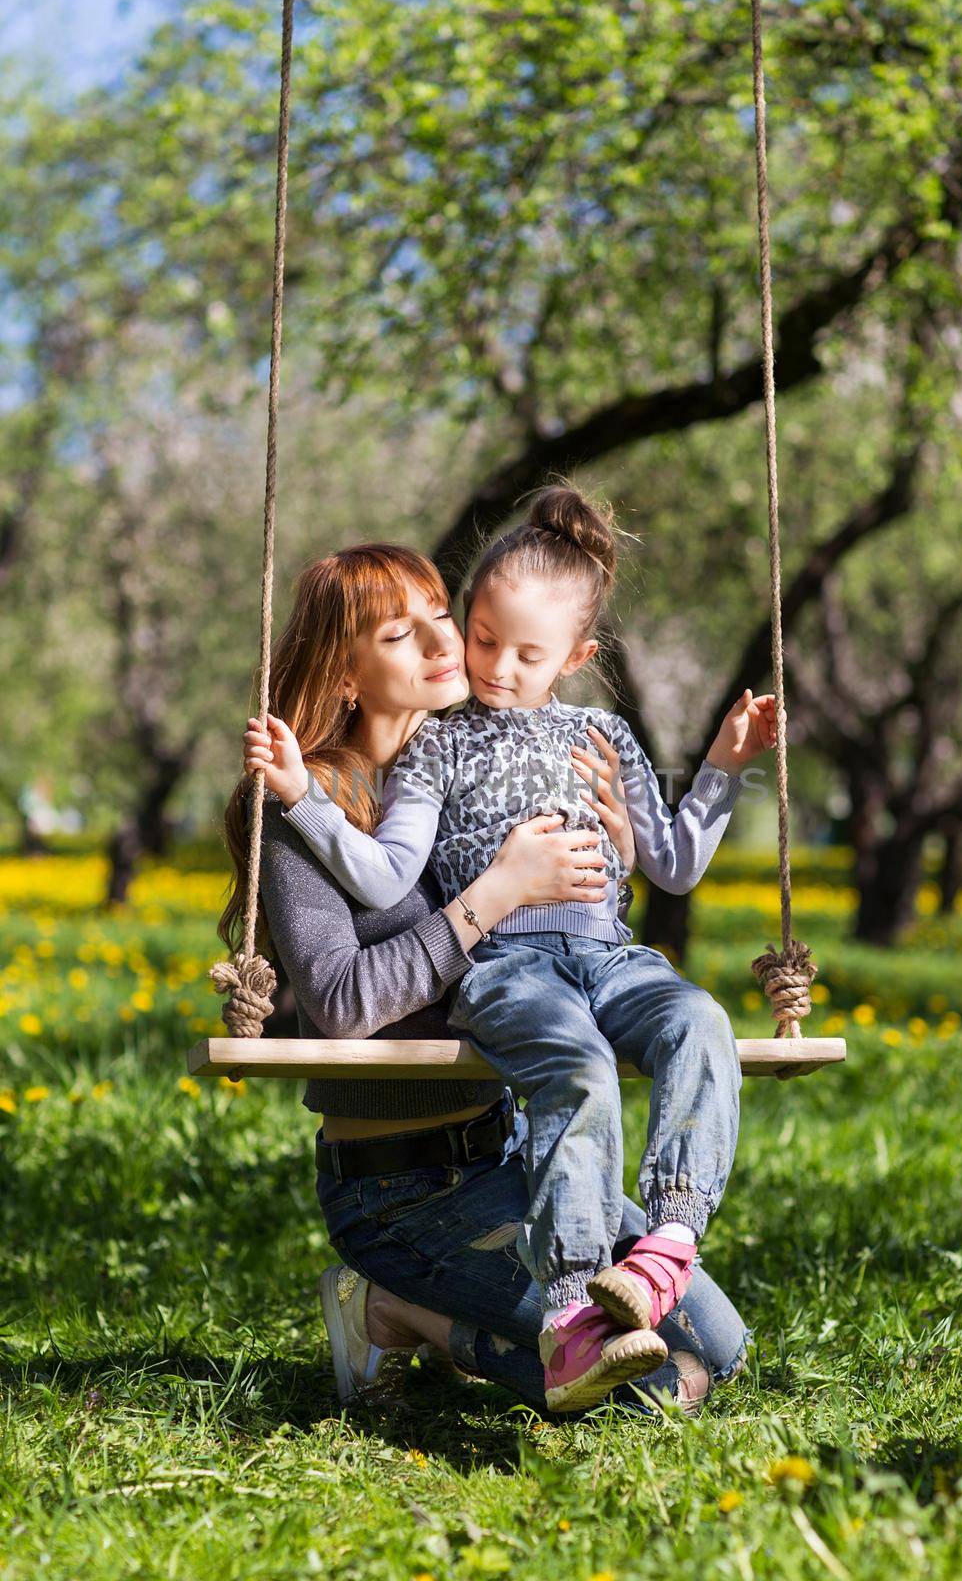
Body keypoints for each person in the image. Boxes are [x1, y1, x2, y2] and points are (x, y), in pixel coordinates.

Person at [239, 489, 767, 1411]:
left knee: (718, 1351)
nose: (451, 646)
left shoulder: (505, 753)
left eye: (443, 615)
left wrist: (648, 824)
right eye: (406, 635)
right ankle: (395, 1308)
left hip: (518, 1149)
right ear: (347, 672)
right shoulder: (308, 815)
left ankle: (634, 1254)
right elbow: (345, 1002)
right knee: (651, 1389)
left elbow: (657, 862)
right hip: (400, 1186)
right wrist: (498, 893)